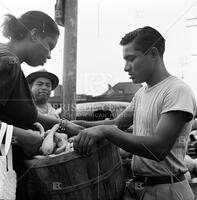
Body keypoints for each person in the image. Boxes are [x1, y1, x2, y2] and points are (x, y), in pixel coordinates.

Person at [70, 26, 196, 200]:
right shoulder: (141, 93)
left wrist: (107, 132)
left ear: (153, 53)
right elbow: (116, 124)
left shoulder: (177, 90)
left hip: (167, 190)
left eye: (131, 59)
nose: (126, 67)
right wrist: (79, 126)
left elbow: (158, 148)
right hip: (139, 189)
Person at [0, 10, 75, 200]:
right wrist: (23, 137)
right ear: (33, 34)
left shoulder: (10, 62)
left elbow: (23, 115)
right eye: (50, 46)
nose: (49, 56)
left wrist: (64, 125)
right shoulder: (7, 63)